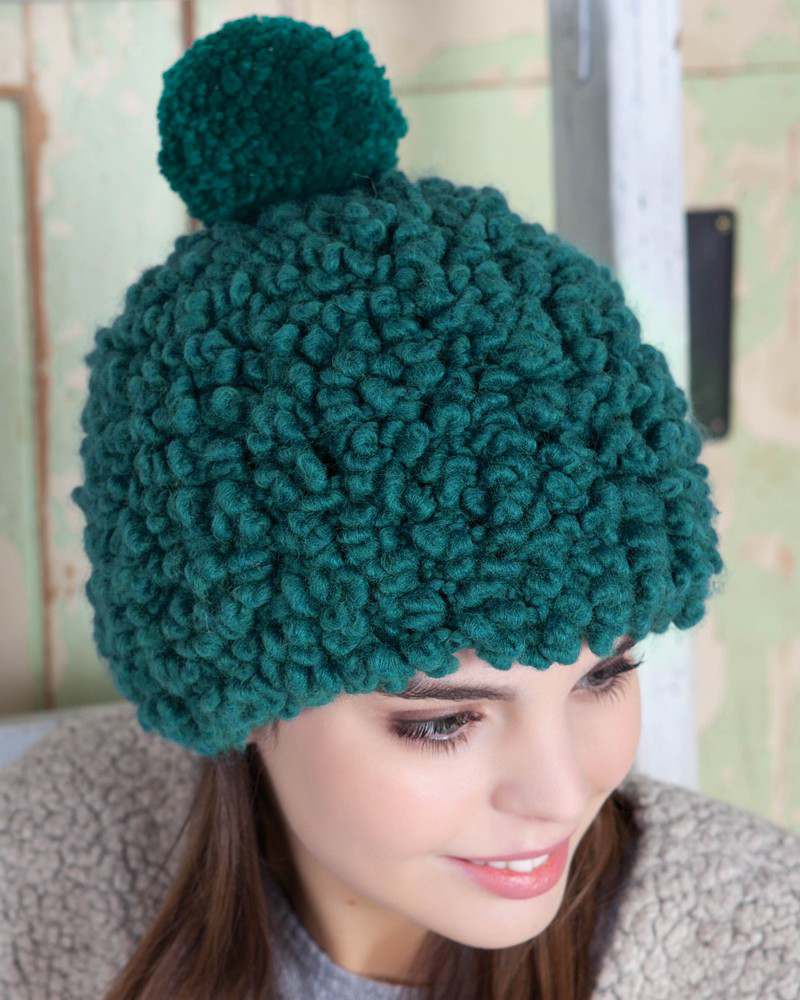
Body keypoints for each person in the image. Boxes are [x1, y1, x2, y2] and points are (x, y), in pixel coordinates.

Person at [16, 11, 788, 1000]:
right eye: (444, 721)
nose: (560, 795)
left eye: (605, 673)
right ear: (231, 692)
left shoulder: (757, 948)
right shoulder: (39, 880)